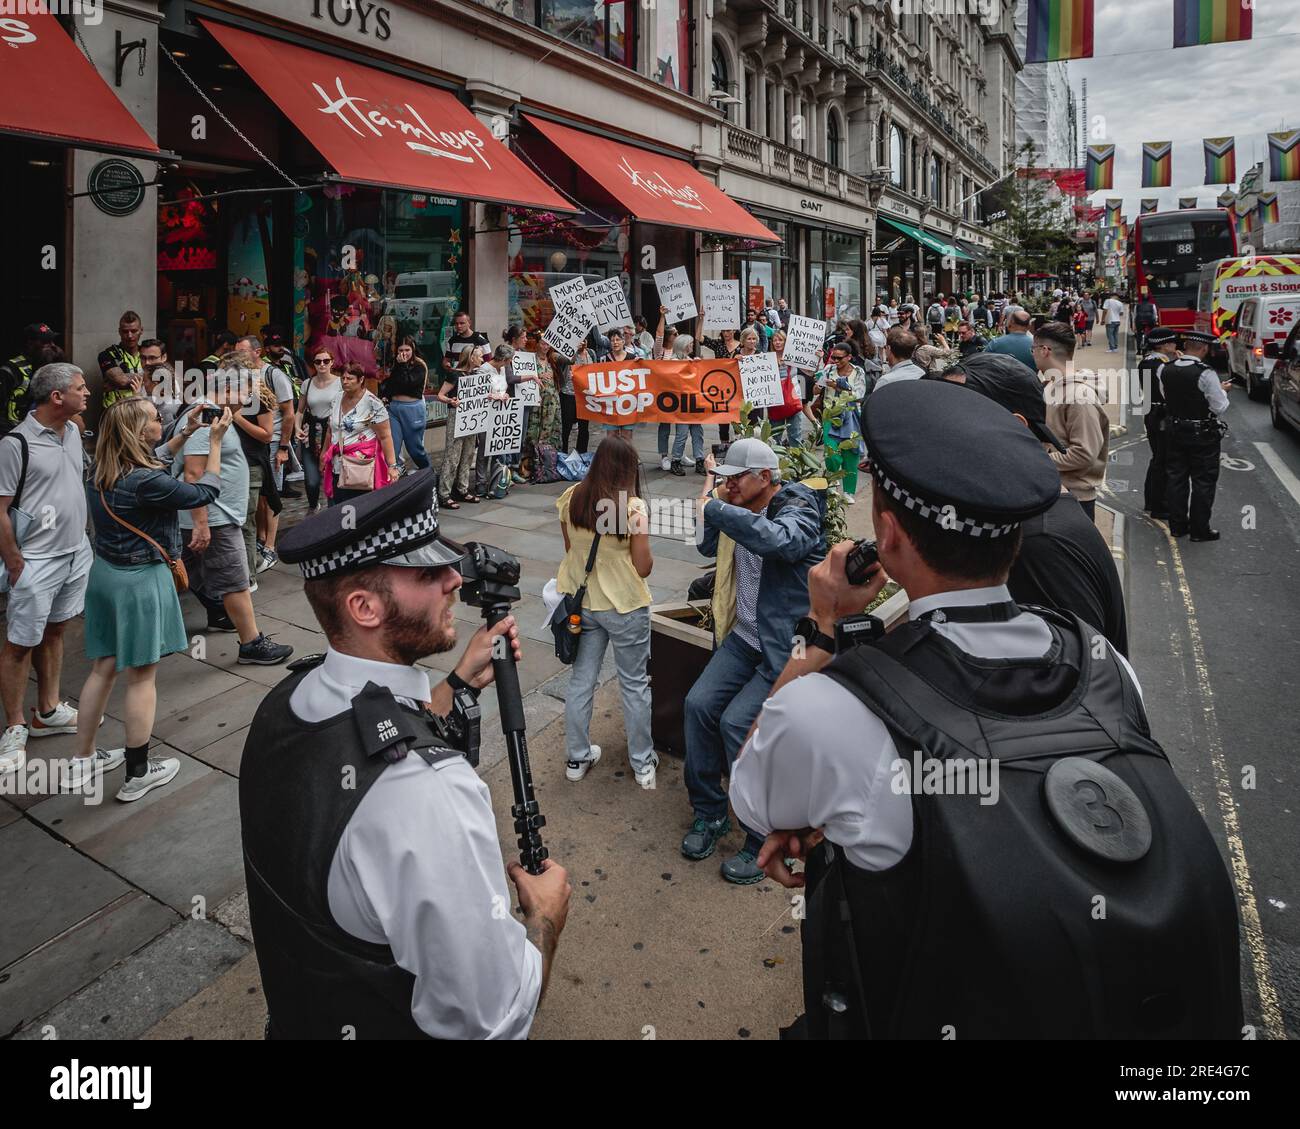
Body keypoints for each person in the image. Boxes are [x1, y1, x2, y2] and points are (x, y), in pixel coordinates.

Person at [730, 378, 1242, 1040]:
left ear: (885, 535)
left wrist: (823, 627)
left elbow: (752, 795)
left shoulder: (831, 710)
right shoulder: (1103, 662)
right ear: (1015, 536)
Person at [244, 469, 572, 1038]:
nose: (454, 580)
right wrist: (544, 917)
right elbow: (488, 1016)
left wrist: (459, 686)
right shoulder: (429, 794)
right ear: (364, 608)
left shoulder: (287, 701)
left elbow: (364, 737)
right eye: (428, 572)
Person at [64, 398, 232, 798]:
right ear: (139, 431)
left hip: (104, 574)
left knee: (103, 667)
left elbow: (154, 456)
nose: (164, 422)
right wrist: (215, 442)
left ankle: (82, 759)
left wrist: (186, 431)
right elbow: (204, 491)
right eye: (158, 419)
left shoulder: (101, 469)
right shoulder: (146, 482)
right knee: (142, 676)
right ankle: (138, 772)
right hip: (139, 579)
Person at [682, 438, 826, 884]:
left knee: (737, 725)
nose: (728, 487)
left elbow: (780, 542)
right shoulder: (735, 502)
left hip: (782, 649)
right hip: (744, 637)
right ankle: (709, 812)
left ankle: (759, 835)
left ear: (765, 477)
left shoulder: (798, 505)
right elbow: (708, 548)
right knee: (698, 706)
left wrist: (719, 508)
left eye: (735, 478)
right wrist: (713, 498)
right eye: (724, 479)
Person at [941, 351, 1129, 656]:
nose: (941, 426)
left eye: (956, 411)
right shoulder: (1017, 513)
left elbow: (1084, 679)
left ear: (1014, 425)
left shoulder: (1041, 541)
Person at [0, 364, 93, 773]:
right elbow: (0, 509)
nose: (87, 392)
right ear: (57, 397)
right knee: (20, 644)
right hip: (36, 561)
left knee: (55, 630)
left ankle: (48, 710)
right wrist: (15, 561)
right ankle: (15, 725)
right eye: (80, 388)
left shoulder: (72, 431)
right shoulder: (15, 443)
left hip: (75, 552)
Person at [555, 436, 657, 787]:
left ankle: (576, 758)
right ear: (626, 470)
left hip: (583, 605)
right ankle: (643, 764)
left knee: (582, 681)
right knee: (634, 685)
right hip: (625, 605)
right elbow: (643, 567)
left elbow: (572, 552)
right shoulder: (632, 509)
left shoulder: (572, 499)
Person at [178, 373, 293, 665]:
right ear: (228, 389)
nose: (252, 395)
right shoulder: (207, 418)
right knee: (236, 581)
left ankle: (219, 613)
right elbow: (193, 474)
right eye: (247, 389)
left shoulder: (222, 414)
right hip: (215, 516)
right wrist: (202, 523)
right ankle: (251, 644)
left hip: (219, 514)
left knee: (207, 574)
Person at [232, 335, 293, 576]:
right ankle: (259, 538)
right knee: (255, 496)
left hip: (272, 438)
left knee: (271, 494)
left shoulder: (274, 375)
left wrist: (283, 448)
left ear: (257, 352)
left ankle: (269, 548)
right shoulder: (239, 375)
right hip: (249, 441)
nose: (238, 357)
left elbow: (288, 413)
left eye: (242, 352)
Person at [1035, 322, 1108, 522]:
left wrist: (1036, 460)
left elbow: (1084, 453)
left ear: (1044, 350)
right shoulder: (1051, 386)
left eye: (1033, 349)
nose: (1032, 354)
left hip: (1074, 499)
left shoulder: (1078, 396)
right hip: (1055, 491)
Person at [1163, 330, 1231, 541]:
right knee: (1203, 481)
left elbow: (1167, 396)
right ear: (1203, 348)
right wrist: (1223, 392)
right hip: (1202, 434)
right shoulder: (1205, 372)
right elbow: (1219, 407)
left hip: (1175, 430)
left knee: (1176, 478)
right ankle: (1200, 530)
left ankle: (1177, 526)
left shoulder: (1166, 369)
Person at [322, 362, 399, 507]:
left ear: (361, 379)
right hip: (337, 463)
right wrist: (324, 452)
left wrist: (392, 466)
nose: (345, 382)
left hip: (359, 466)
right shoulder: (337, 398)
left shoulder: (373, 403)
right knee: (337, 506)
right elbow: (331, 428)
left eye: (349, 378)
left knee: (356, 508)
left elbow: (385, 436)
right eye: (343, 378)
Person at [812, 345, 866, 505]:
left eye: (839, 358)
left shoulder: (858, 372)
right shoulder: (828, 369)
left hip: (851, 416)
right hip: (830, 414)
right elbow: (816, 391)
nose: (835, 361)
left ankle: (849, 491)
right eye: (833, 357)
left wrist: (840, 386)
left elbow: (859, 395)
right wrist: (817, 386)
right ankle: (833, 483)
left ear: (849, 357)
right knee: (832, 453)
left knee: (851, 455)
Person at [295, 348, 343, 514]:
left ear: (332, 362)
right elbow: (300, 411)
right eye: (318, 361)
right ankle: (313, 506)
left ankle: (334, 513)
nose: (322, 364)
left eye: (326, 361)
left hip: (333, 435)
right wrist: (296, 427)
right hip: (311, 434)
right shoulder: (307, 384)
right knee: (312, 481)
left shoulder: (341, 383)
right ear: (313, 364)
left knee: (333, 478)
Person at [1139, 328, 1178, 520]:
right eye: (1171, 342)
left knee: (1157, 459)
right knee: (1164, 461)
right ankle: (1160, 506)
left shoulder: (1146, 362)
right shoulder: (1162, 365)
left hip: (1151, 413)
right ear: (1162, 345)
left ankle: (1151, 501)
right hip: (1162, 415)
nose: (1174, 345)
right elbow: (1169, 392)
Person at [381, 337, 431, 475]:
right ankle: (394, 472)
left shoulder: (420, 366)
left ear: (413, 349)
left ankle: (427, 470)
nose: (404, 353)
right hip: (394, 407)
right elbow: (393, 383)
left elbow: (407, 383)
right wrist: (386, 396)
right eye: (401, 350)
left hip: (412, 408)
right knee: (393, 444)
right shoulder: (396, 364)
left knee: (414, 447)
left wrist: (402, 366)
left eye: (407, 350)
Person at [1, 323, 60, 433]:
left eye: (52, 340)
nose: (52, 345)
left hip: (42, 431)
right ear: (30, 343)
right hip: (14, 432)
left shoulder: (50, 366)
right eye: (45, 342)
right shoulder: (11, 370)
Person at [98, 310, 145, 412]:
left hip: (141, 410)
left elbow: (164, 377)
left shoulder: (147, 354)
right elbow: (121, 380)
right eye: (125, 331)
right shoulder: (107, 355)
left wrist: (118, 382)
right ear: (119, 331)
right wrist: (150, 378)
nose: (129, 335)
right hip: (114, 412)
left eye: (134, 331)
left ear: (141, 330)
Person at [138, 338, 182, 429]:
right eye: (143, 358)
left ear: (164, 357)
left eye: (152, 358)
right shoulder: (139, 377)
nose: (147, 363)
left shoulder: (173, 384)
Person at [553, 344, 589, 457]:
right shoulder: (562, 354)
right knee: (566, 427)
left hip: (585, 395)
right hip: (568, 394)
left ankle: (581, 454)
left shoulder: (590, 353)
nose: (583, 342)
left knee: (584, 428)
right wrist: (574, 349)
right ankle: (563, 454)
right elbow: (570, 361)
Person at [984, 308, 1037, 374]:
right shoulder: (1037, 345)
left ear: (1010, 324)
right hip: (1030, 382)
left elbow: (983, 364)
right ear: (1029, 326)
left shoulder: (995, 343)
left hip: (1000, 382)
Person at [441, 310, 489, 384]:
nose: (459, 326)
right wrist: (446, 365)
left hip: (475, 381)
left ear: (469, 323)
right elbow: (446, 360)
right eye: (456, 324)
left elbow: (488, 363)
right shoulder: (452, 340)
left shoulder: (480, 340)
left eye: (462, 323)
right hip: (456, 380)